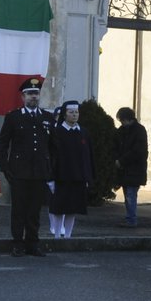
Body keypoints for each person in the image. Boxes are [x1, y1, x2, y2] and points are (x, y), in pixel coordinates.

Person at [0, 77, 53, 257]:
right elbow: (4, 144)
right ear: (23, 97)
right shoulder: (14, 117)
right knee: (19, 210)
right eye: (30, 94)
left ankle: (33, 242)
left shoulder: (47, 117)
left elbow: (52, 146)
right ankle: (17, 243)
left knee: (34, 210)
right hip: (19, 172)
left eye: (36, 94)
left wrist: (50, 169)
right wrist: (5, 168)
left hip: (39, 172)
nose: (33, 97)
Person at [49, 101, 94, 238]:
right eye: (71, 112)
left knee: (72, 208)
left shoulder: (83, 132)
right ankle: (57, 235)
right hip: (61, 177)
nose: (74, 115)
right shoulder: (57, 132)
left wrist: (88, 176)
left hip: (78, 177)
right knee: (59, 209)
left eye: (76, 112)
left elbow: (88, 156)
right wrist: (50, 178)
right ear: (64, 114)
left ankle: (68, 236)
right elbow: (51, 156)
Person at [115, 106, 148, 227]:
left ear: (128, 119)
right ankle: (130, 218)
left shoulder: (139, 131)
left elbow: (138, 151)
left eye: (122, 120)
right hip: (126, 170)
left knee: (130, 195)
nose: (122, 123)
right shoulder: (122, 131)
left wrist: (121, 161)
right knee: (128, 195)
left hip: (134, 169)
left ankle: (131, 220)